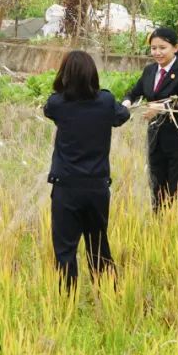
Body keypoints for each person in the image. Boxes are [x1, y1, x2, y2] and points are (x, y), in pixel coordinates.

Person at [43, 50, 131, 290]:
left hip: (66, 187)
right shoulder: (106, 101)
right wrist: (125, 104)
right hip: (96, 187)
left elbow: (48, 109)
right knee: (98, 245)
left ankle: (67, 299)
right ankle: (109, 295)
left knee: (65, 250)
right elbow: (122, 116)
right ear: (92, 74)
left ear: (65, 74)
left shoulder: (58, 103)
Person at [121, 27, 178, 247]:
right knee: (158, 191)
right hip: (156, 141)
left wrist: (161, 108)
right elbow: (134, 92)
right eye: (153, 48)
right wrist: (126, 103)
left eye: (162, 48)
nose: (157, 52)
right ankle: (161, 237)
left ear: (175, 47)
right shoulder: (149, 71)